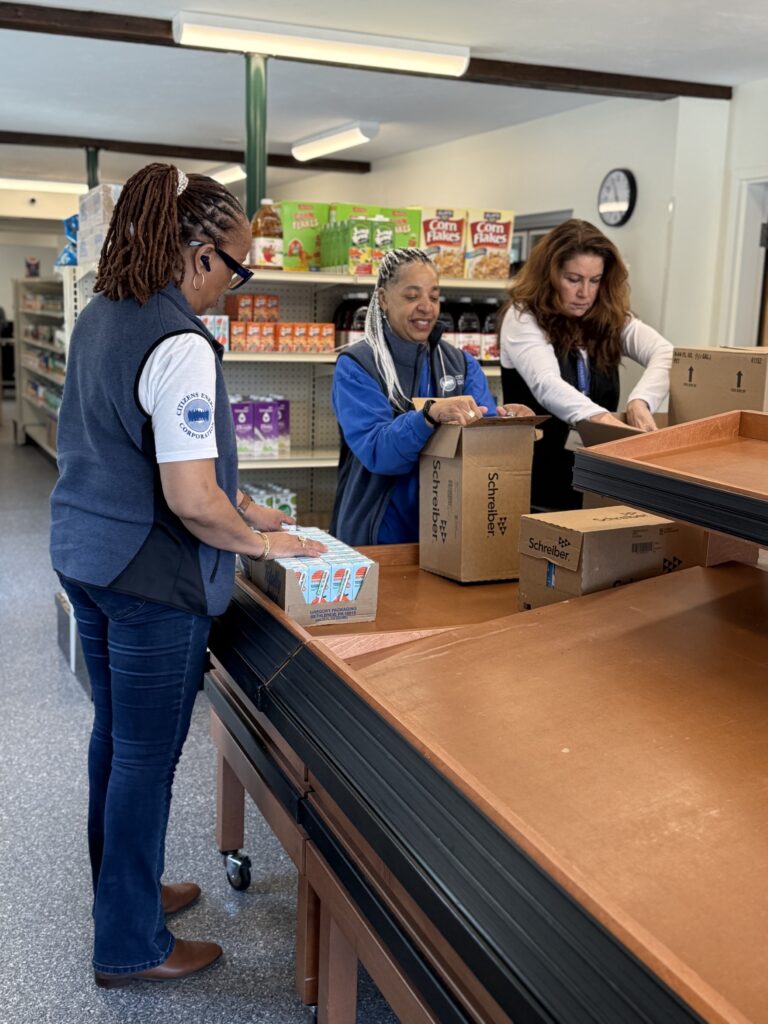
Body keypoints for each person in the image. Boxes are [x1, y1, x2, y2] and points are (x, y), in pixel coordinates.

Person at [49, 163, 325, 988]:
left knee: (114, 738)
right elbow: (189, 500)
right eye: (237, 271)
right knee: (146, 755)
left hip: (87, 556)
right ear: (200, 254)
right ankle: (131, 943)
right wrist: (263, 545)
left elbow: (133, 444)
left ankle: (124, 892)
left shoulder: (104, 314)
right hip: (147, 581)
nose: (235, 290)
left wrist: (249, 505)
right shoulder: (179, 341)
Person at [330, 247, 532, 545]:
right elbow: (379, 452)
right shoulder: (358, 365)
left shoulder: (461, 364)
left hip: (448, 535)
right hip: (378, 536)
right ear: (384, 299)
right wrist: (428, 416)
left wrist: (505, 424)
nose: (426, 307)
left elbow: (479, 449)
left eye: (434, 297)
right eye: (412, 297)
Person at [499, 219, 673, 511]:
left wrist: (641, 402)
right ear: (550, 275)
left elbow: (665, 353)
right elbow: (546, 383)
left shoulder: (610, 319)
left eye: (595, 280)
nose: (585, 293)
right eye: (573, 279)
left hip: (594, 483)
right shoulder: (522, 318)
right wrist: (602, 419)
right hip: (534, 481)